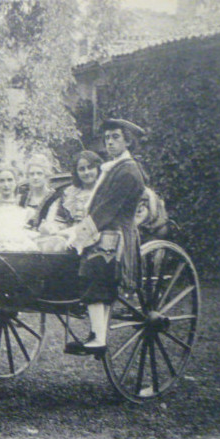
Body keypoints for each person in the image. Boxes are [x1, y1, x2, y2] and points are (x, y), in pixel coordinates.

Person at [65, 118, 147, 355]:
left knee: (95, 272)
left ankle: (98, 339)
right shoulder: (114, 167)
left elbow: (107, 209)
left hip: (117, 234)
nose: (110, 142)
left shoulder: (128, 171)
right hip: (104, 230)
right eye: (107, 138)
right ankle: (95, 334)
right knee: (86, 270)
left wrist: (79, 234)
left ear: (127, 141)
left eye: (116, 138)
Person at [39, 150, 103, 234]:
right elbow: (60, 221)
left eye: (90, 167)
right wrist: (52, 228)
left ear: (98, 168)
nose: (86, 172)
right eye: (81, 169)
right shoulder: (69, 193)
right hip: (70, 237)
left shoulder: (104, 191)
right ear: (76, 172)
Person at [17, 153, 55, 227]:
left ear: (46, 175)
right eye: (32, 174)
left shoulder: (54, 198)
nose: (35, 177)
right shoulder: (22, 199)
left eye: (39, 173)